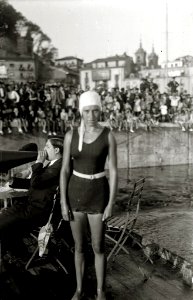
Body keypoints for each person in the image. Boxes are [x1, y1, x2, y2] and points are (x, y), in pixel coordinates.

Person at [60, 90, 118, 300]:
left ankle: (100, 291)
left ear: (100, 111)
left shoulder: (108, 136)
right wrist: (63, 204)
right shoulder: (70, 135)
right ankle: (79, 288)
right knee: (79, 246)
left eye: (95, 111)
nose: (91, 116)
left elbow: (113, 170)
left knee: (98, 246)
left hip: (98, 195)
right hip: (75, 194)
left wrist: (111, 203)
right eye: (87, 111)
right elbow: (65, 169)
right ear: (81, 112)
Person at [0, 137, 63, 258]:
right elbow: (34, 183)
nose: (44, 150)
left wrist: (38, 163)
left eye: (47, 147)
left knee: (3, 223)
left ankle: (16, 253)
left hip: (37, 211)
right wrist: (12, 180)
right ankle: (18, 252)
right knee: (6, 225)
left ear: (56, 150)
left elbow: (36, 182)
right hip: (32, 207)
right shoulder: (53, 164)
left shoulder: (58, 167)